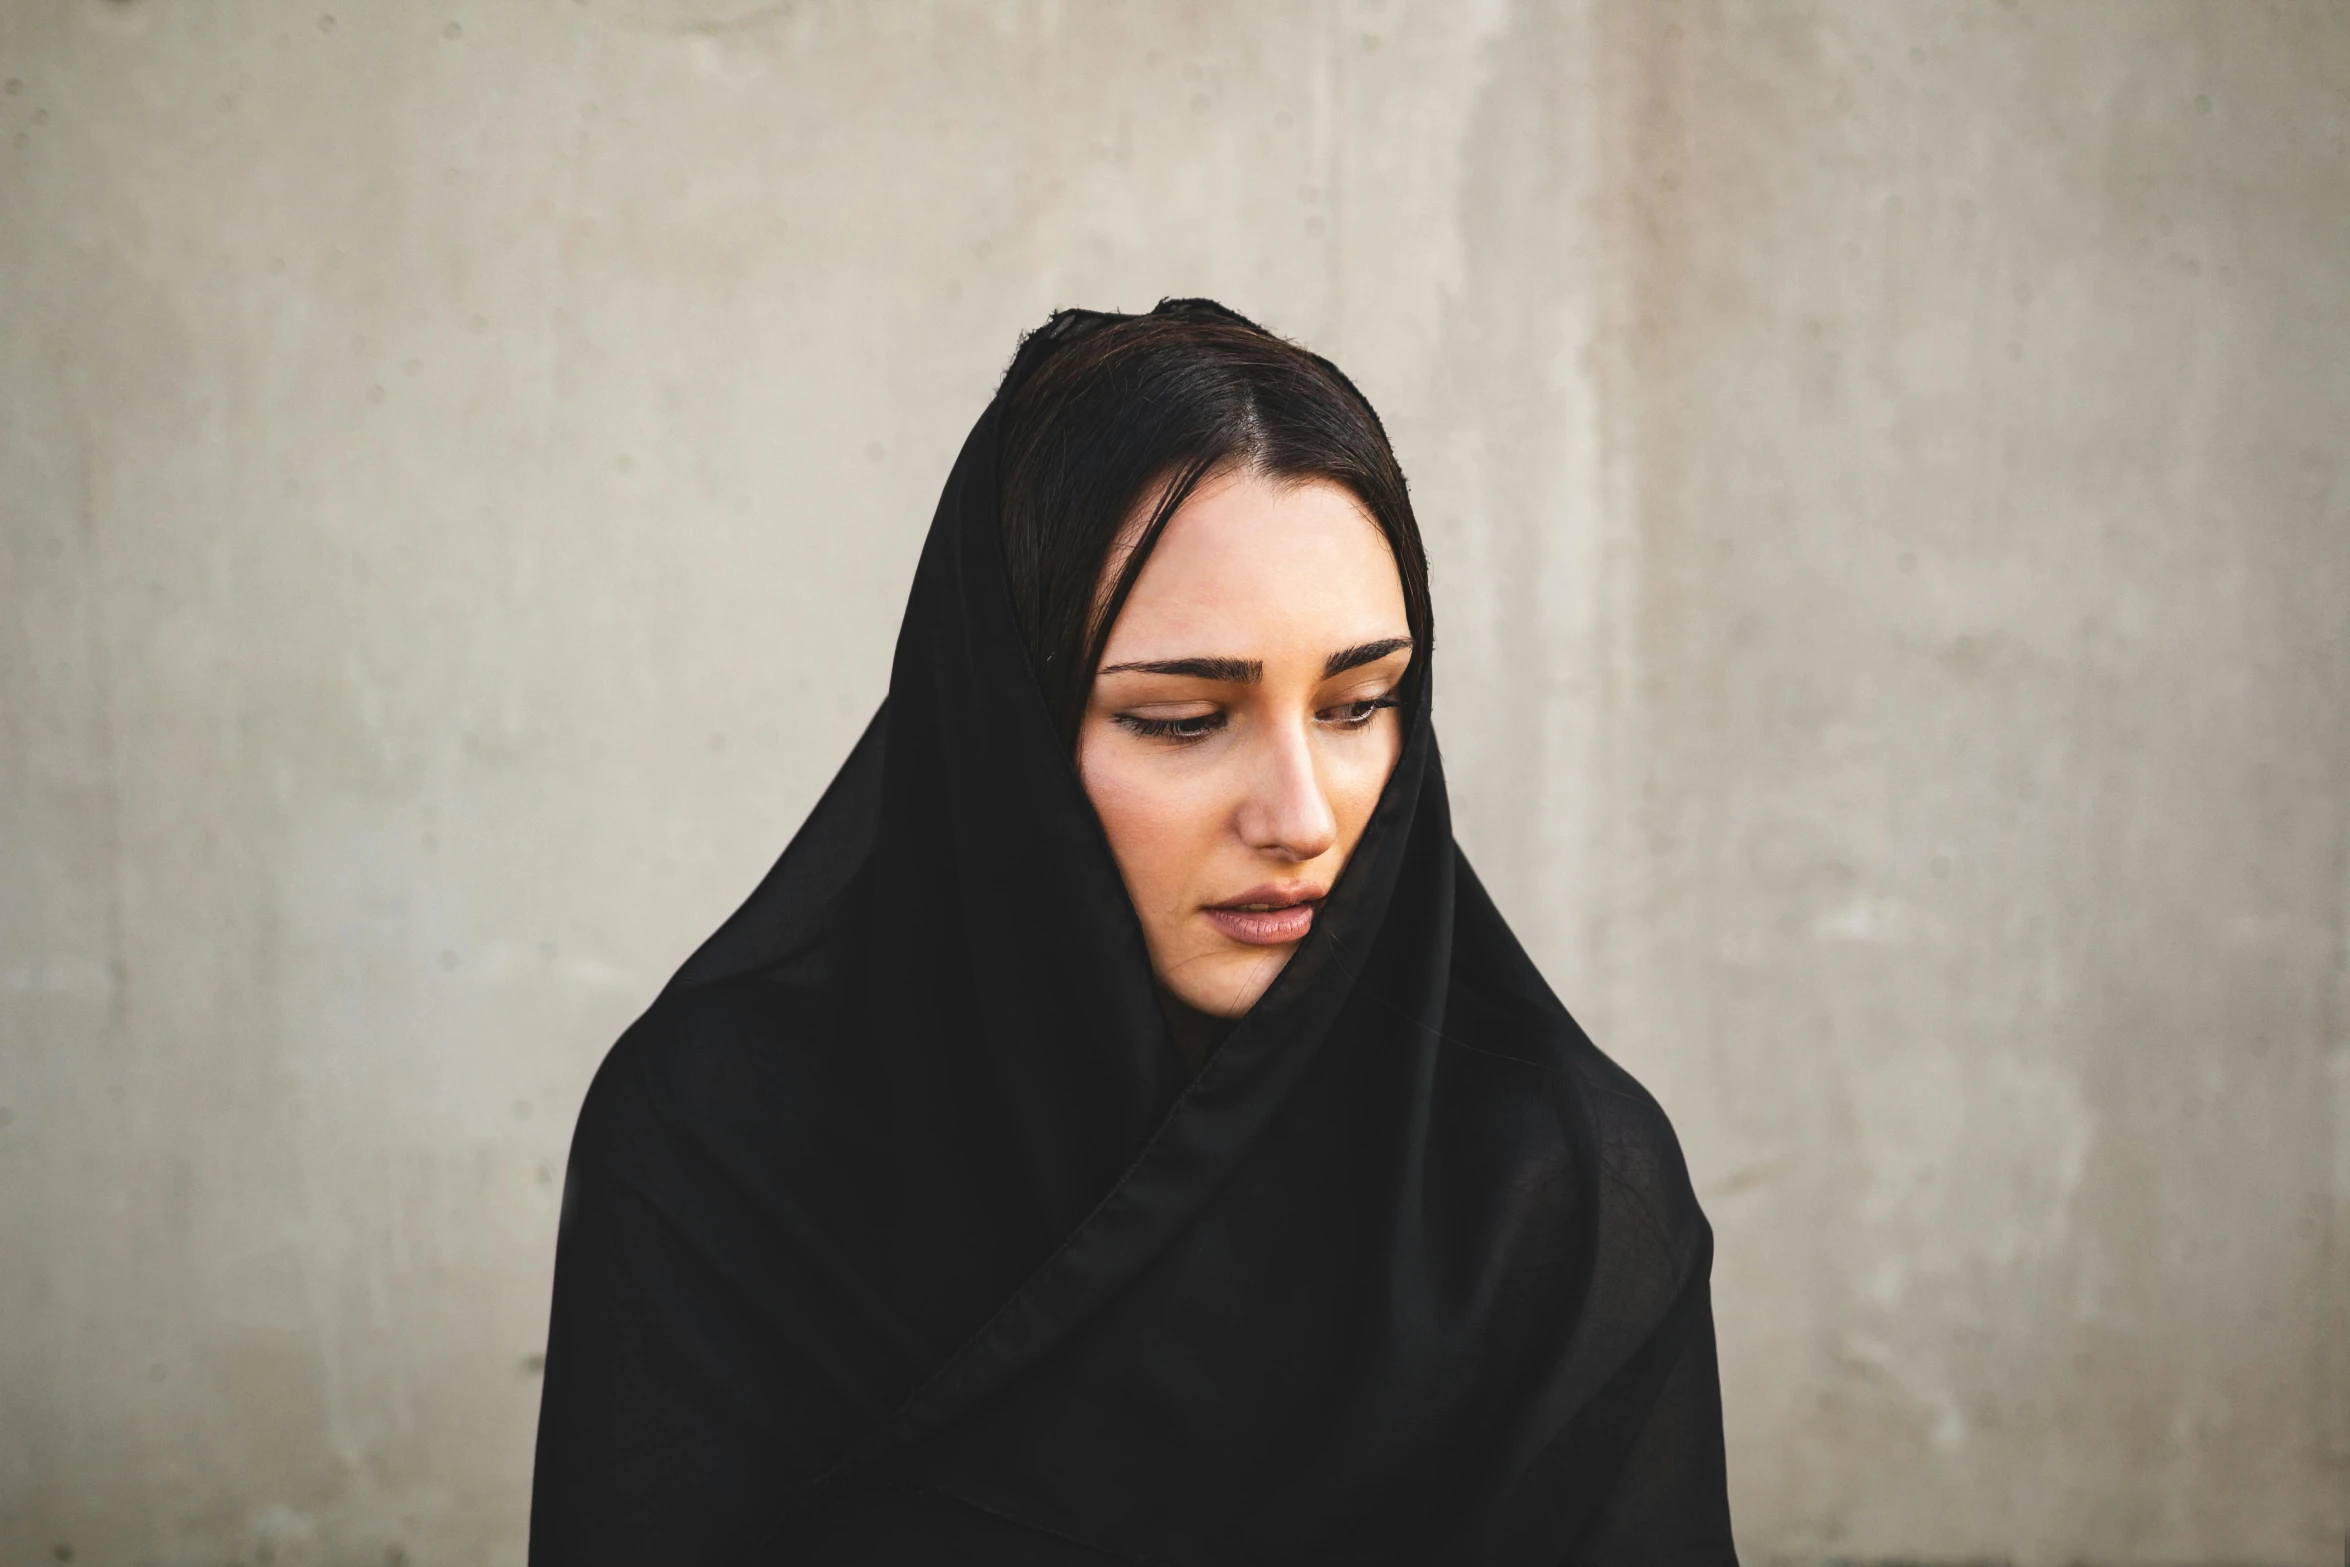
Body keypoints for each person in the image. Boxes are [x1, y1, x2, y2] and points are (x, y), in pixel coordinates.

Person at [529, 300, 1737, 1564]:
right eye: (1179, 719)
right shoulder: (721, 1142)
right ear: (1004, 732)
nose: (1301, 816)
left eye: (1359, 703)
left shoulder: (1547, 1188)